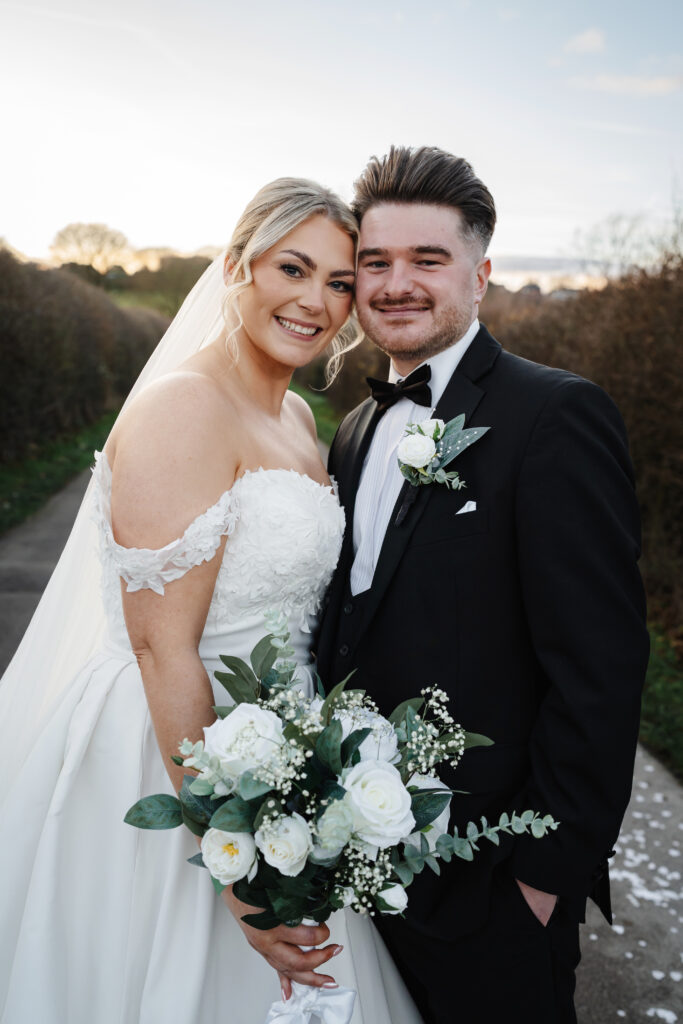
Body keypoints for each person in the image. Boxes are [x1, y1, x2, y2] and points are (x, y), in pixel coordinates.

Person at [0, 179, 422, 1023]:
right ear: (236, 266)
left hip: (285, 754)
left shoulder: (301, 420)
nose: (315, 301)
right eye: (291, 268)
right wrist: (234, 863)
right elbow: (163, 647)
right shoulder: (184, 408)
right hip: (174, 748)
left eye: (339, 283)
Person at [315, 146, 649, 1023]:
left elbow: (600, 665)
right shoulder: (352, 429)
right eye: (375, 263)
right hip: (359, 863)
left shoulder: (555, 415)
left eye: (428, 260)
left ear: (481, 274)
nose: (396, 284)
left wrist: (542, 874)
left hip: (491, 887)